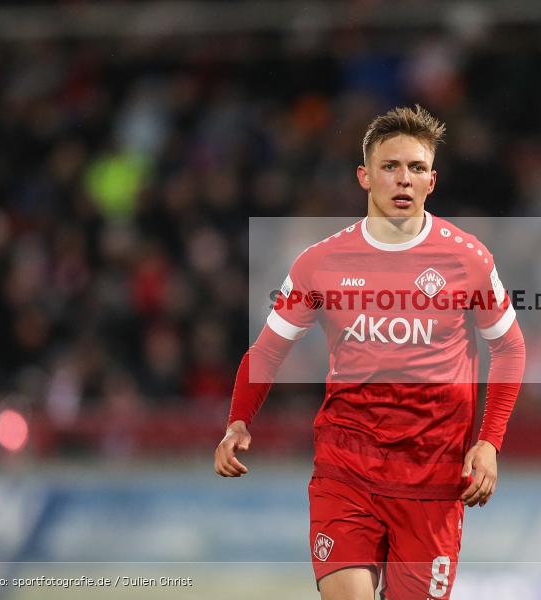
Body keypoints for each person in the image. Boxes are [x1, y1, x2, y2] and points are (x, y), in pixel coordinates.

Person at [215, 105, 525, 600]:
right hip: (346, 470)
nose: (404, 179)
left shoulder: (468, 258)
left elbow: (508, 347)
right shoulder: (320, 263)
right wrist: (238, 420)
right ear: (365, 176)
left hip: (434, 478)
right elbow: (268, 351)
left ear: (432, 181)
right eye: (391, 166)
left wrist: (489, 441)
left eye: (416, 168)